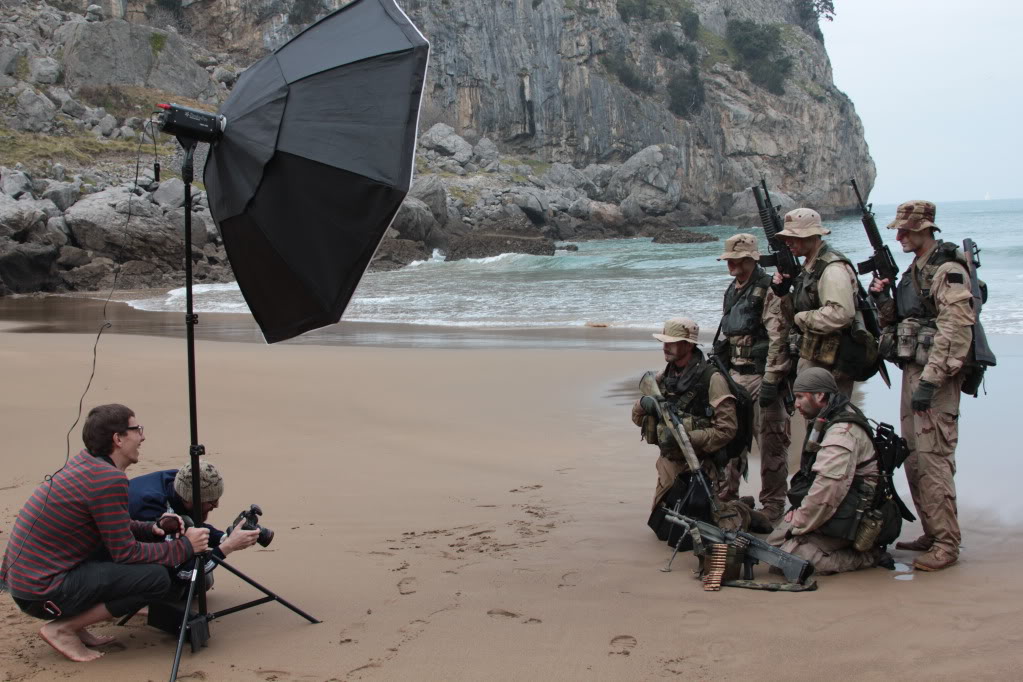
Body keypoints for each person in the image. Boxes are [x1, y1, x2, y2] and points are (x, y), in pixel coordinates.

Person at [0, 404, 209, 662]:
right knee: (157, 578)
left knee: (120, 556)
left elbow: (109, 525)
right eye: (137, 430)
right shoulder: (109, 480)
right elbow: (125, 553)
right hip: (41, 591)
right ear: (118, 439)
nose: (142, 437)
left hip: (27, 582)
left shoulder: (87, 464)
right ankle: (63, 628)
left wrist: (150, 528)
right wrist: (186, 547)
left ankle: (74, 623)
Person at [868, 200, 973, 571]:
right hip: (914, 373)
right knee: (913, 458)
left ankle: (947, 543)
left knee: (933, 459)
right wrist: (882, 298)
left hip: (935, 379)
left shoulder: (946, 270)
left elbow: (956, 328)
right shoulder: (916, 270)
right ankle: (933, 531)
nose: (899, 236)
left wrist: (931, 381)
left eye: (906, 231)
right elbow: (901, 321)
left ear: (926, 229)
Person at [632, 317, 761, 532]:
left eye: (671, 342)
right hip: (670, 463)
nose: (665, 347)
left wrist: (687, 438)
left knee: (707, 531)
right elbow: (637, 418)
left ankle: (741, 511)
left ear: (689, 345)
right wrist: (643, 404)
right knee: (663, 530)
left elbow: (727, 430)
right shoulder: (665, 377)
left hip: (701, 463)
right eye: (664, 342)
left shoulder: (713, 380)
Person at [767, 368, 882, 574]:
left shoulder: (841, 433)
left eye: (801, 397)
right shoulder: (828, 414)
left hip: (851, 511)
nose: (796, 404)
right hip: (842, 503)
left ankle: (866, 557)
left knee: (789, 560)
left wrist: (799, 523)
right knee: (772, 544)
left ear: (820, 395)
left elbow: (828, 491)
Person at [713, 233, 793, 523]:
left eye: (737, 259)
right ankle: (727, 494)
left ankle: (773, 504)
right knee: (730, 440)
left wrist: (772, 378)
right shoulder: (732, 290)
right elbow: (727, 334)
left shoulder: (767, 289)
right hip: (735, 376)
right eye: (728, 259)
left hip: (762, 377)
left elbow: (778, 336)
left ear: (751, 259)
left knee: (771, 443)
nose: (731, 264)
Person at [773, 208, 864, 397]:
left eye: (794, 237)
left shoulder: (832, 268)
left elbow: (841, 314)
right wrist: (784, 294)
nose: (788, 242)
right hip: (816, 358)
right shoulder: (810, 267)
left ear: (812, 236)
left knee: (828, 421)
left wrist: (801, 318)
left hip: (830, 365)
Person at [128, 460, 261, 587]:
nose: (216, 505)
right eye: (211, 501)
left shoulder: (182, 483)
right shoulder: (154, 508)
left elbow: (193, 527)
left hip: (130, 552)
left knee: (202, 571)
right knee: (198, 581)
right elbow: (180, 573)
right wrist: (227, 547)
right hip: (118, 568)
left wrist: (224, 538)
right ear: (190, 500)